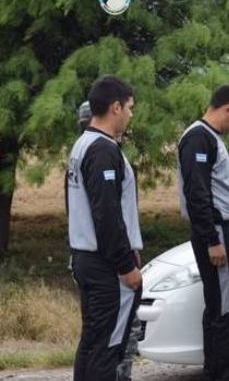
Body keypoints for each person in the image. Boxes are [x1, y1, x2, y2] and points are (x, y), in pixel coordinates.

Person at [67, 75, 142, 381]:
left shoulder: (83, 144)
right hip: (106, 267)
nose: (131, 114)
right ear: (115, 107)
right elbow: (107, 215)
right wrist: (127, 267)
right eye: (130, 107)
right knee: (106, 351)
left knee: (92, 345)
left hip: (87, 258)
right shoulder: (102, 151)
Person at [177, 85, 229, 381]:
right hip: (216, 232)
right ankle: (224, 374)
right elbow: (197, 193)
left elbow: (220, 193)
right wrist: (213, 239)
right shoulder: (198, 137)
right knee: (226, 312)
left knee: (225, 306)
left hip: (226, 229)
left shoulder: (211, 138)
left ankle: (217, 371)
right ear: (227, 109)